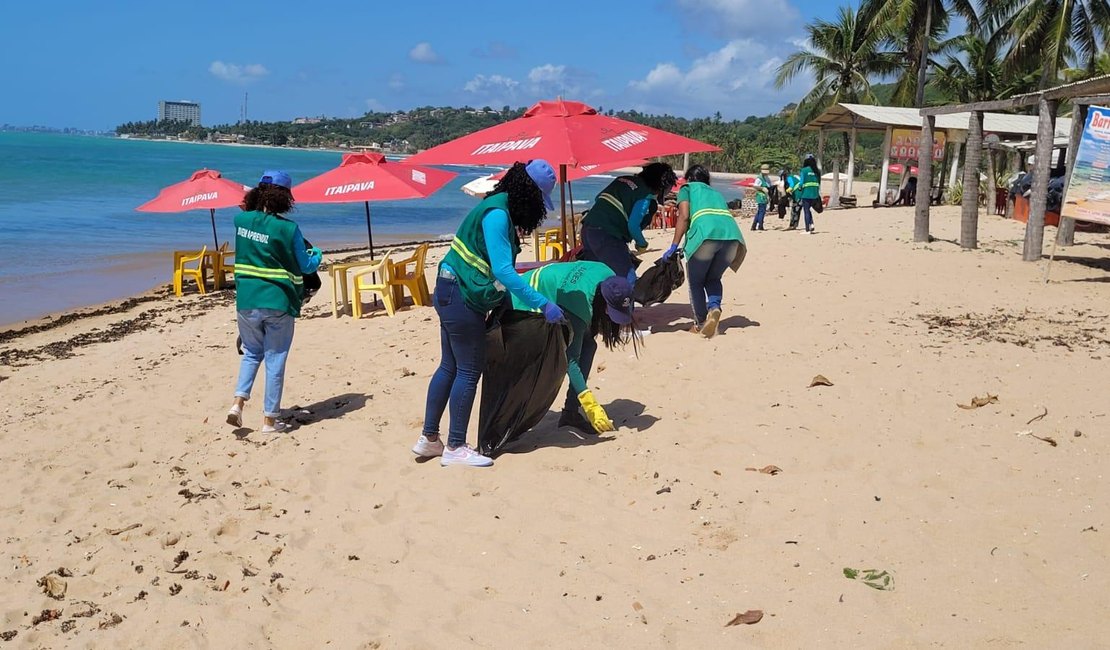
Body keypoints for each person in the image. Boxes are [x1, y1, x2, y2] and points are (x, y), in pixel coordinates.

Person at [414, 159, 563, 468]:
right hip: (461, 295)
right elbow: (504, 271)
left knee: (450, 366)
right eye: (539, 200)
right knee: (469, 369)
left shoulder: (497, 207)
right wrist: (542, 303)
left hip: (448, 288)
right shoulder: (497, 215)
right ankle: (455, 445)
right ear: (529, 193)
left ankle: (429, 440)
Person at [225, 171, 322, 434]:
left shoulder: (240, 221)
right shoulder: (289, 229)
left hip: (246, 300)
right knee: (275, 358)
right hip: (278, 301)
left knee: (251, 354)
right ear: (285, 198)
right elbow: (306, 265)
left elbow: (247, 209)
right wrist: (318, 255)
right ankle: (270, 420)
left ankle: (238, 404)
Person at [510, 261, 639, 434]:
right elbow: (570, 359)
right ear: (604, 302)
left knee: (589, 345)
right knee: (538, 363)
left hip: (561, 288)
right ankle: (515, 420)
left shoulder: (609, 275)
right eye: (611, 311)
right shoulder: (579, 307)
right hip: (527, 294)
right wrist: (589, 402)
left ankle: (570, 413)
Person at [660, 165, 746, 338]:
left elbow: (684, 216)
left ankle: (700, 323)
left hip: (706, 237)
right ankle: (714, 307)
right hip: (732, 238)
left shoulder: (687, 188)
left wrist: (674, 245)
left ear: (689, 179)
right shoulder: (716, 193)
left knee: (696, 282)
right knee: (713, 278)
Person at [580, 162, 678, 285]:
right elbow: (633, 225)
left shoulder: (622, 179)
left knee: (595, 278)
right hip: (607, 235)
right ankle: (623, 304)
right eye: (669, 188)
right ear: (662, 184)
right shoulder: (646, 195)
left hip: (587, 228)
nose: (668, 192)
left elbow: (598, 198)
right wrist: (641, 243)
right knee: (627, 280)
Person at [796, 154, 821, 233]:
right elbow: (819, 182)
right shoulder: (817, 171)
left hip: (806, 193)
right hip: (815, 194)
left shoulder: (804, 170)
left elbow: (801, 182)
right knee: (809, 210)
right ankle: (811, 223)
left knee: (806, 210)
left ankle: (807, 229)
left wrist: (799, 189)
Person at [752, 164, 772, 231]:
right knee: (762, 211)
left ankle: (754, 226)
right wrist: (762, 188)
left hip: (765, 196)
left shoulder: (766, 178)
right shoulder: (759, 178)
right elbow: (755, 186)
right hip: (761, 196)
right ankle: (760, 226)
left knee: (759, 211)